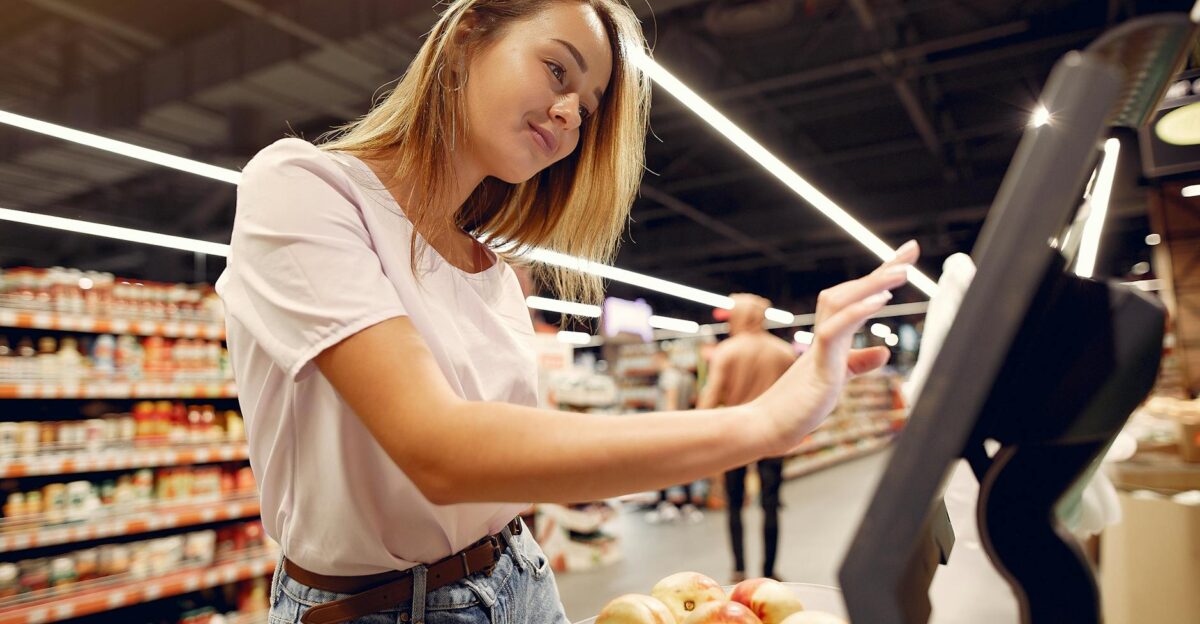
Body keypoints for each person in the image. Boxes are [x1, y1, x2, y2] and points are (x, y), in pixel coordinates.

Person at [215, 0, 921, 621]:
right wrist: (760, 422)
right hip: (376, 608)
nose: (569, 113)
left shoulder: (493, 273)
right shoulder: (303, 188)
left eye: (586, 108)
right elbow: (438, 450)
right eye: (558, 71)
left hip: (519, 576)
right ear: (467, 36)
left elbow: (511, 449)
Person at [695, 293, 795, 583]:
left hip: (735, 438)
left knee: (735, 505)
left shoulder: (727, 351)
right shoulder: (783, 352)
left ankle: (738, 570)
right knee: (771, 504)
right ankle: (769, 571)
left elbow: (709, 400)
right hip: (774, 437)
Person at [647, 349, 704, 524]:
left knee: (661, 467)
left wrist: (665, 428)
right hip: (681, 426)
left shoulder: (668, 376)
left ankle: (665, 505)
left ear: (659, 358)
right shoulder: (683, 375)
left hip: (668, 427)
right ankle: (687, 504)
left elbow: (670, 402)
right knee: (684, 466)